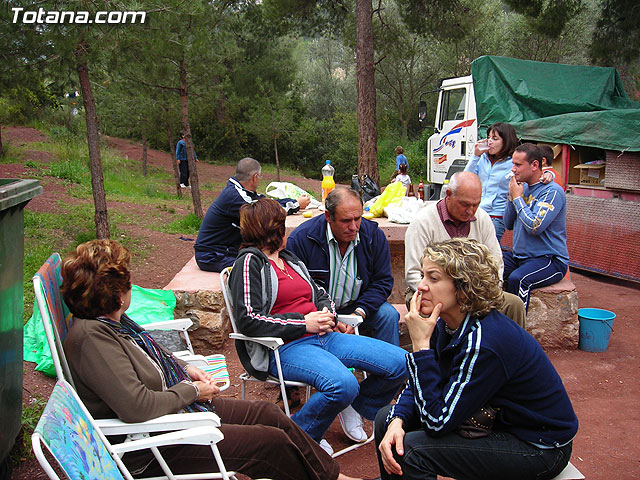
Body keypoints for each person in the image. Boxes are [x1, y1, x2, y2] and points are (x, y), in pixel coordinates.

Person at [61, 239, 363, 480]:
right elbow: (137, 406)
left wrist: (185, 369)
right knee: (269, 444)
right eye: (127, 282)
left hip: (176, 414)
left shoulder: (114, 322)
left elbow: (150, 353)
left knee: (268, 414)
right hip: (153, 446)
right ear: (115, 292)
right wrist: (192, 391)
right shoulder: (92, 339)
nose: (131, 288)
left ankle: (332, 476)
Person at [375, 238, 578, 480]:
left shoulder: (486, 341)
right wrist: (398, 419)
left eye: (433, 278)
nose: (421, 286)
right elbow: (420, 387)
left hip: (539, 446)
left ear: (462, 288)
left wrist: (420, 347)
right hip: (502, 423)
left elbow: (437, 422)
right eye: (423, 276)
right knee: (385, 419)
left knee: (412, 450)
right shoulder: (447, 323)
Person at [229, 198, 408, 456]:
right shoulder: (250, 263)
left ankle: (355, 408)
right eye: (281, 224)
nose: (285, 230)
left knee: (402, 363)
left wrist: (328, 314)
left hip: (324, 335)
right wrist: (303, 323)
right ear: (271, 228)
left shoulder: (289, 260)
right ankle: (298, 436)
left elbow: (320, 293)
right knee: (343, 384)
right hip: (284, 348)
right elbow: (248, 318)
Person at [404, 171, 526, 327]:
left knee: (514, 304)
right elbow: (413, 274)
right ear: (448, 194)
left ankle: (508, 350)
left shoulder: (482, 219)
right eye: (465, 204)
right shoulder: (423, 222)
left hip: (474, 293)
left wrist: (484, 293)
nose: (470, 211)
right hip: (431, 292)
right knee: (428, 309)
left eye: (476, 204)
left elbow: (496, 265)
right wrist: (453, 298)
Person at [287, 187, 400, 346]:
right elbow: (296, 292)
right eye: (346, 221)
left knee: (388, 315)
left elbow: (382, 282)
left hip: (358, 306)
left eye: (358, 218)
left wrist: (359, 313)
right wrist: (328, 317)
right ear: (328, 216)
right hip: (318, 311)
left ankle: (391, 368)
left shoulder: (373, 236)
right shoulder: (302, 239)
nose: (354, 227)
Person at [194, 157, 310, 272]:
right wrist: (296, 204)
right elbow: (265, 211)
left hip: (224, 251)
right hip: (214, 256)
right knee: (265, 267)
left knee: (273, 259)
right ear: (255, 177)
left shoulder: (240, 191)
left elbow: (265, 202)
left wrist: (294, 202)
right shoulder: (234, 196)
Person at [504, 143, 569, 310]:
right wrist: (512, 197)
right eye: (513, 164)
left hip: (549, 259)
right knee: (488, 267)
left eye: (518, 165)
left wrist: (518, 199)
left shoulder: (552, 191)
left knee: (518, 279)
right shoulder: (521, 188)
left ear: (534, 165)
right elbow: (508, 223)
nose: (513, 169)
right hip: (521, 257)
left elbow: (534, 226)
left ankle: (516, 331)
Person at [464, 123, 554, 242]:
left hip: (496, 216)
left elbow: (531, 174)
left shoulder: (513, 162)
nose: (490, 142)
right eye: (489, 138)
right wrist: (475, 156)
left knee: (485, 253)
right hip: (477, 213)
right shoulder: (482, 159)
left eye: (495, 139)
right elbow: (465, 178)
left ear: (506, 141)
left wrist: (549, 174)